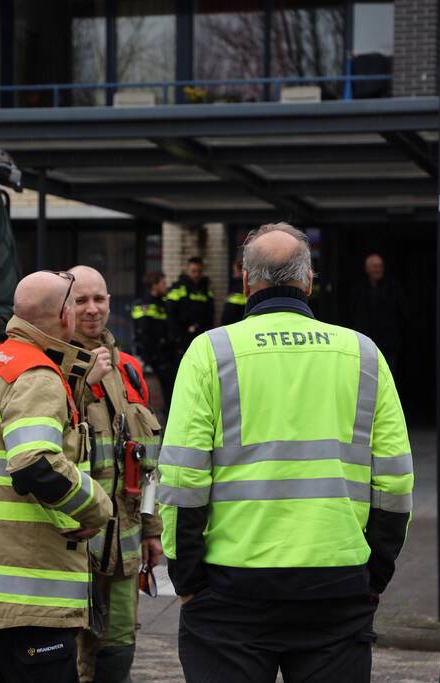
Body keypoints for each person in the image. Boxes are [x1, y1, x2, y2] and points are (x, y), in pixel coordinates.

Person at [158, 223, 413, 683]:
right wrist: (374, 574)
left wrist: (188, 578)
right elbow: (394, 481)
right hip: (336, 585)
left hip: (230, 586)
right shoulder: (365, 354)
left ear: (244, 282)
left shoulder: (209, 353)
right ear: (309, 280)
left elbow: (182, 478)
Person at [0, 270, 113, 683]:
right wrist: (94, 509)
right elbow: (35, 463)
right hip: (29, 590)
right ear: (64, 316)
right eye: (74, 303)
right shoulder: (36, 375)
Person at [69, 266, 164, 683]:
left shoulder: (127, 370)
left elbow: (144, 460)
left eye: (100, 299)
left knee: (121, 642)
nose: (92, 309)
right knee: (74, 652)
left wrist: (151, 529)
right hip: (74, 542)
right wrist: (82, 383)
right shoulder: (50, 365)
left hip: (124, 541)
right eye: (81, 300)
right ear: (64, 306)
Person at [349, 253, 408, 376]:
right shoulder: (359, 290)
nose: (378, 269)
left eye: (380, 266)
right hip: (365, 343)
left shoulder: (393, 288)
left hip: (388, 343)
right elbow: (353, 313)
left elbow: (402, 313)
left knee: (387, 375)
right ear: (367, 269)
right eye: (375, 266)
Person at [131, 271, 176, 411]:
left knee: (170, 389)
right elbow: (144, 333)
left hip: (166, 355)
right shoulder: (145, 305)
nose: (165, 286)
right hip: (156, 357)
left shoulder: (162, 303)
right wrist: (153, 356)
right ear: (154, 285)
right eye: (162, 283)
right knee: (164, 389)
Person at [166, 256, 214, 356]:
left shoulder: (206, 290)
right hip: (182, 337)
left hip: (201, 335)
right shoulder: (178, 288)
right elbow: (170, 312)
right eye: (193, 271)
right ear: (188, 270)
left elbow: (210, 313)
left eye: (199, 271)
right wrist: (178, 334)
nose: (196, 274)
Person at [220, 257, 247, 326]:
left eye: (234, 272)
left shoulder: (236, 287)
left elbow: (226, 319)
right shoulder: (251, 287)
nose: (233, 275)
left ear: (241, 271)